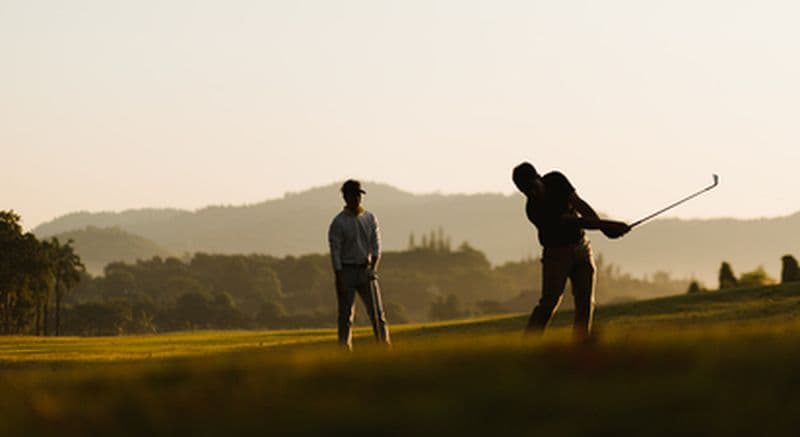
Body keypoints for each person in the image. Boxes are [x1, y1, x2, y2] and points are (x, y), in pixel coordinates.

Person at [512, 162, 630, 339]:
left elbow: (579, 204)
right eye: (526, 191)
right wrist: (607, 225)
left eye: (532, 186)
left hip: (581, 246)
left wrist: (605, 230)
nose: (532, 193)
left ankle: (580, 344)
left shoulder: (556, 180)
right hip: (556, 255)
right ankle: (528, 343)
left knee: (585, 300)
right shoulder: (534, 210)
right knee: (550, 302)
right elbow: (574, 221)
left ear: (539, 177)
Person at [328, 179, 391, 350]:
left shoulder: (370, 218)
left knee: (377, 314)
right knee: (345, 316)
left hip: (366, 270)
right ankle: (344, 350)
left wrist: (373, 268)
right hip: (346, 271)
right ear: (345, 197)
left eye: (358, 195)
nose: (356, 199)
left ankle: (384, 348)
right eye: (353, 195)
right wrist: (339, 276)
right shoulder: (338, 223)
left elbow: (376, 246)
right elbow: (335, 252)